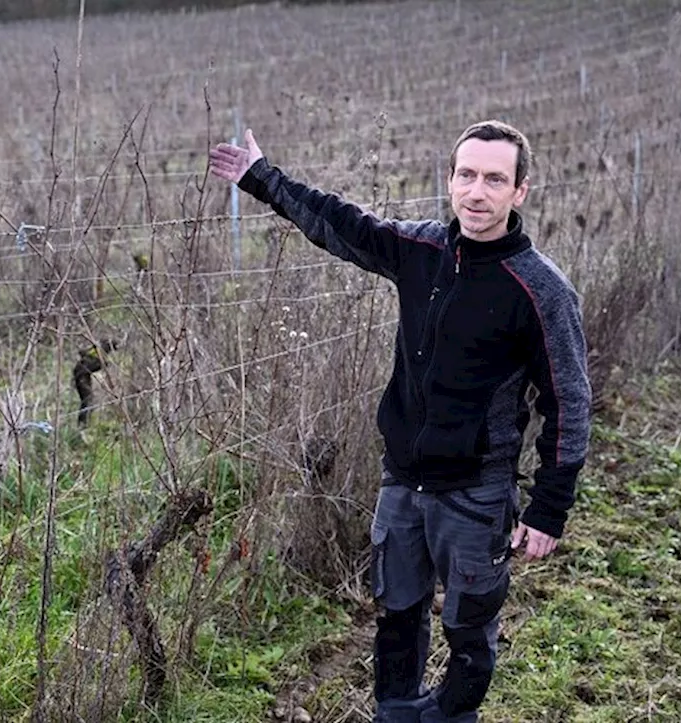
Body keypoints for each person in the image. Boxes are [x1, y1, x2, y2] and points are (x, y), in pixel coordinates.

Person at [209, 120, 591, 722]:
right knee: (395, 615)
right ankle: (395, 713)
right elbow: (343, 225)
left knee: (469, 628)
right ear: (449, 180)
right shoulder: (422, 252)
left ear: (520, 192)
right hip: (402, 483)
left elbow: (568, 403)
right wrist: (262, 178)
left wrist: (549, 509)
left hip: (476, 493)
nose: (477, 192)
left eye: (495, 179)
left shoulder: (541, 289)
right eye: (466, 175)